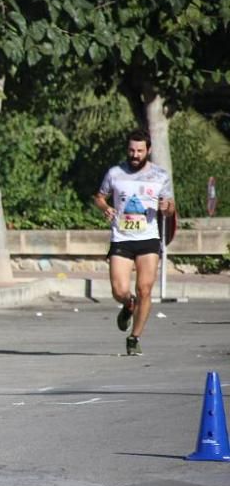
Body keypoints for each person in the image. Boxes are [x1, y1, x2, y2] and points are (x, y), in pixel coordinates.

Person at [92, 128, 174, 356]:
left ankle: (134, 337)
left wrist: (167, 208)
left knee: (145, 289)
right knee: (119, 290)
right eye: (131, 150)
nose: (135, 155)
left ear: (148, 150)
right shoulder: (115, 173)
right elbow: (99, 197)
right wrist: (105, 208)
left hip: (148, 237)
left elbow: (170, 208)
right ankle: (128, 305)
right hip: (122, 237)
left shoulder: (160, 175)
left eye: (139, 150)